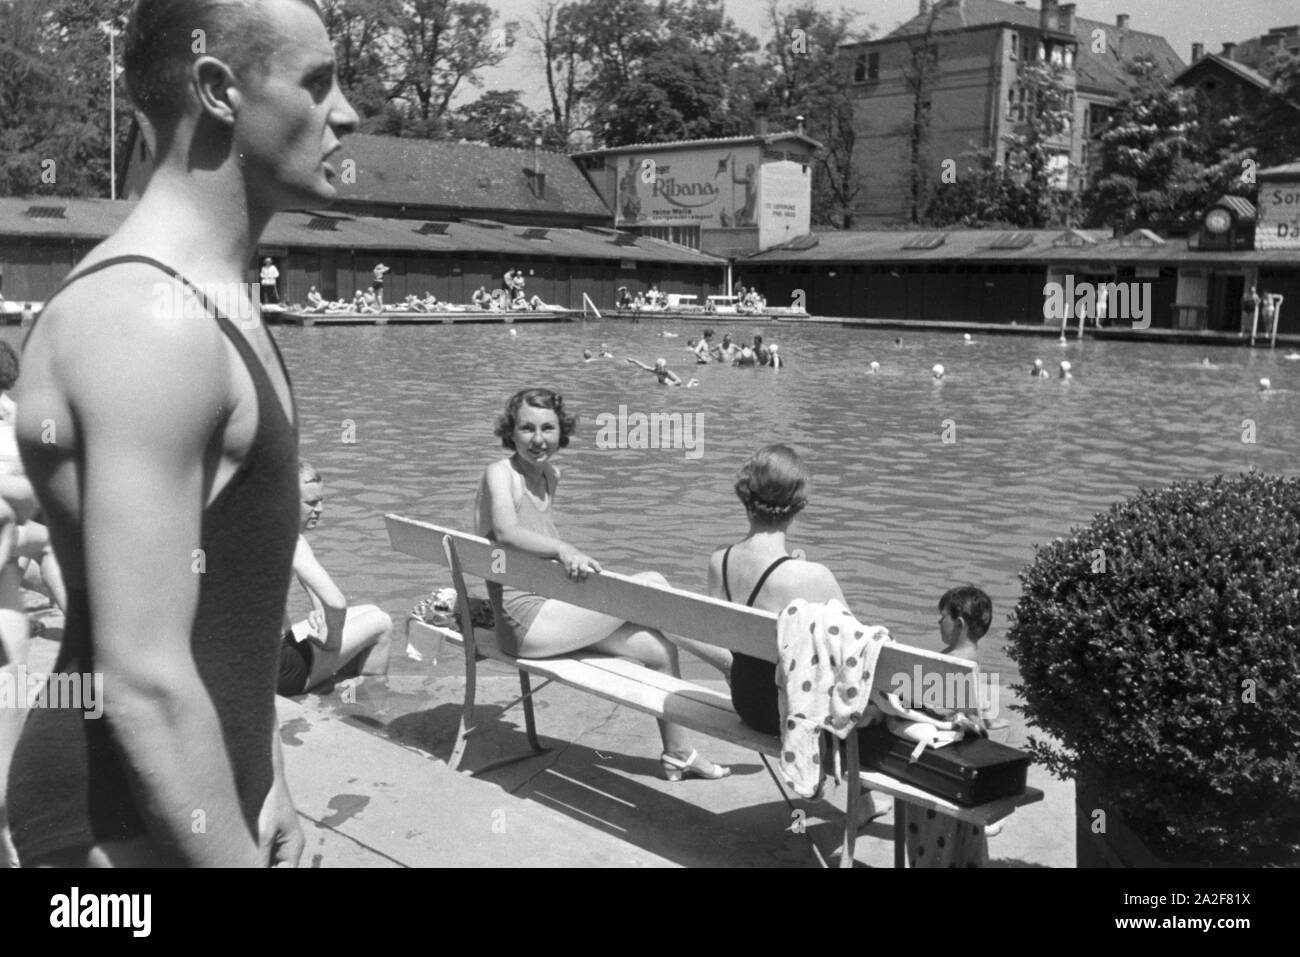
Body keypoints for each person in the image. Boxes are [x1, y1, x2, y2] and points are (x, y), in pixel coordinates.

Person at [6, 0, 359, 868]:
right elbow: (144, 676)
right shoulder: (147, 322)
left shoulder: (210, 302)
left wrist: (265, 769)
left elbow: (228, 600)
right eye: (316, 83)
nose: (346, 111)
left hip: (189, 809)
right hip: (112, 841)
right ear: (218, 90)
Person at [474, 389, 728, 780]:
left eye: (548, 428)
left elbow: (532, 548)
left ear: (562, 432)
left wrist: (565, 563)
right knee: (652, 582)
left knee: (658, 648)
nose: (538, 438)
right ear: (511, 431)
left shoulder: (549, 476)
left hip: (551, 613)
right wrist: (563, 549)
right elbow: (506, 533)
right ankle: (730, 663)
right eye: (527, 428)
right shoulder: (499, 474)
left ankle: (679, 752)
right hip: (523, 625)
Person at [705, 445, 885, 822]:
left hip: (749, 702)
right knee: (871, 688)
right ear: (799, 504)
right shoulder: (811, 577)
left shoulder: (719, 561)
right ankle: (866, 803)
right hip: (789, 713)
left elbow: (727, 635)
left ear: (745, 497)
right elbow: (863, 656)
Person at [277, 462, 392, 696]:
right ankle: (367, 705)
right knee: (381, 622)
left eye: (321, 500)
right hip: (278, 671)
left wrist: (318, 607)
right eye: (311, 503)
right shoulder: (292, 541)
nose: (320, 509)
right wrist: (331, 641)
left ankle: (339, 680)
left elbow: (305, 578)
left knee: (368, 609)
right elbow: (337, 603)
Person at [903, 587, 998, 866]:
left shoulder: (952, 664)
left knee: (937, 839)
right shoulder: (974, 661)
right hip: (965, 767)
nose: (937, 622)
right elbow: (983, 713)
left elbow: (940, 710)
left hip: (943, 766)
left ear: (960, 624)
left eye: (942, 616)